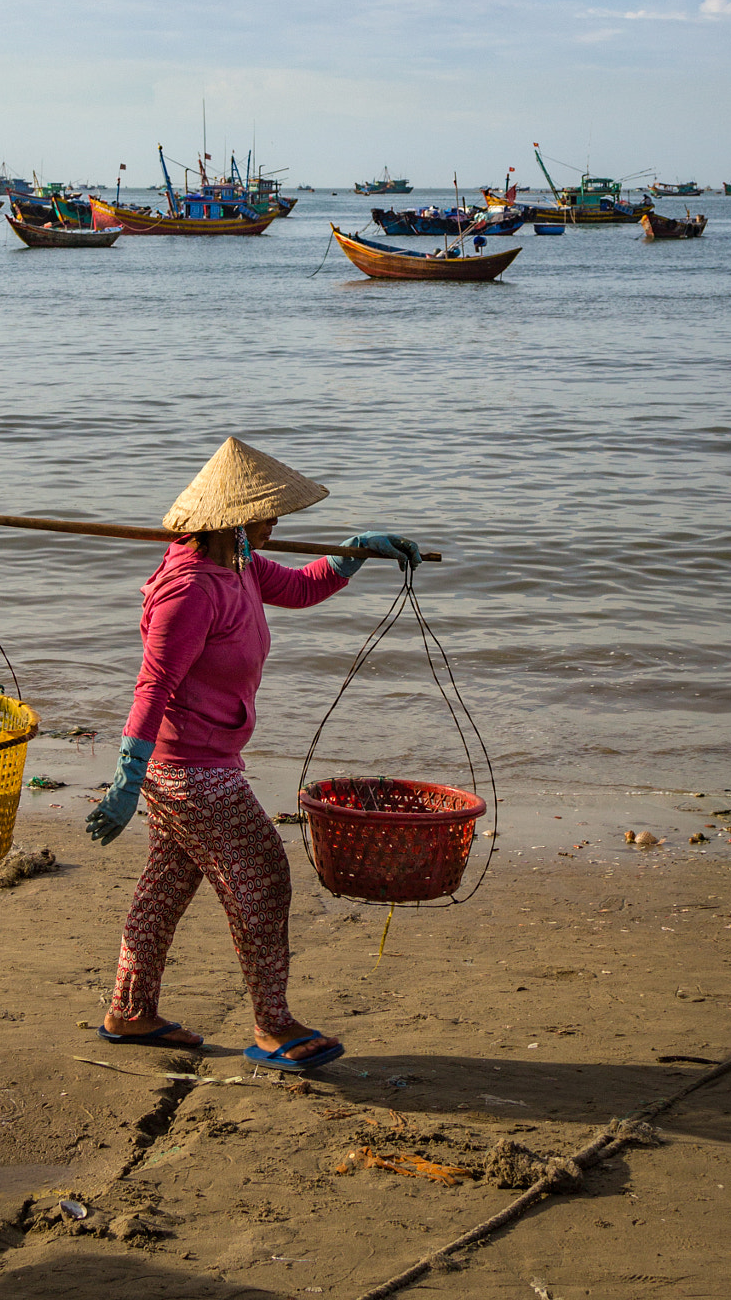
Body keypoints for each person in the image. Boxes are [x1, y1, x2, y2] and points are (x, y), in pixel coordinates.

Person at [86, 436, 420, 1072]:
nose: (276, 523)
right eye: (268, 513)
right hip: (187, 767)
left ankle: (130, 1010)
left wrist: (351, 555)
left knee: (168, 882)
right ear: (234, 518)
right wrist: (127, 780)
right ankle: (272, 1025)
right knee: (263, 874)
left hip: (203, 758)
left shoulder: (238, 563)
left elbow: (297, 590)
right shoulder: (190, 590)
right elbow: (152, 686)